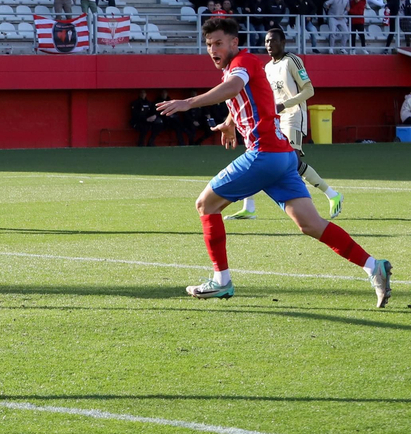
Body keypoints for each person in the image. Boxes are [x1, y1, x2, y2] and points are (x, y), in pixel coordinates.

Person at [156, 16, 392, 305]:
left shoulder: (243, 62)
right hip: (282, 157)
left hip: (264, 154)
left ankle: (221, 280)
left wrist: (188, 102)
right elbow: (246, 95)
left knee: (206, 204)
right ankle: (373, 267)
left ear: (234, 42)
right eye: (208, 45)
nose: (212, 49)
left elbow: (233, 87)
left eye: (218, 43)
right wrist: (230, 122)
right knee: (311, 224)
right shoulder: (238, 67)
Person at [228, 26, 344, 219]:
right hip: (274, 119)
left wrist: (284, 105)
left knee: (292, 161)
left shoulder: (292, 61)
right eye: (266, 41)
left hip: (293, 116)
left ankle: (332, 194)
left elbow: (309, 90)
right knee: (258, 155)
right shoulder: (267, 67)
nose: (269, 45)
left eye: (273, 40)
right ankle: (249, 206)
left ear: (283, 42)